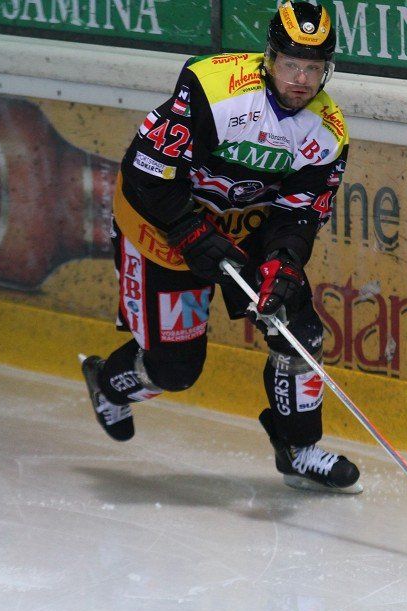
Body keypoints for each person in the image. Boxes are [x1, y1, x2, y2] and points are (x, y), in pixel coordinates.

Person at [79, 1, 361, 494]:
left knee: (297, 331)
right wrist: (189, 232)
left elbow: (298, 214)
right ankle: (108, 384)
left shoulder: (328, 132)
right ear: (269, 58)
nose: (301, 79)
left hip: (240, 230)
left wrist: (284, 260)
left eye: (314, 68)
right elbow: (146, 172)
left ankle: (298, 449)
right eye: (291, 64)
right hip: (162, 227)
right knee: (174, 369)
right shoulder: (212, 90)